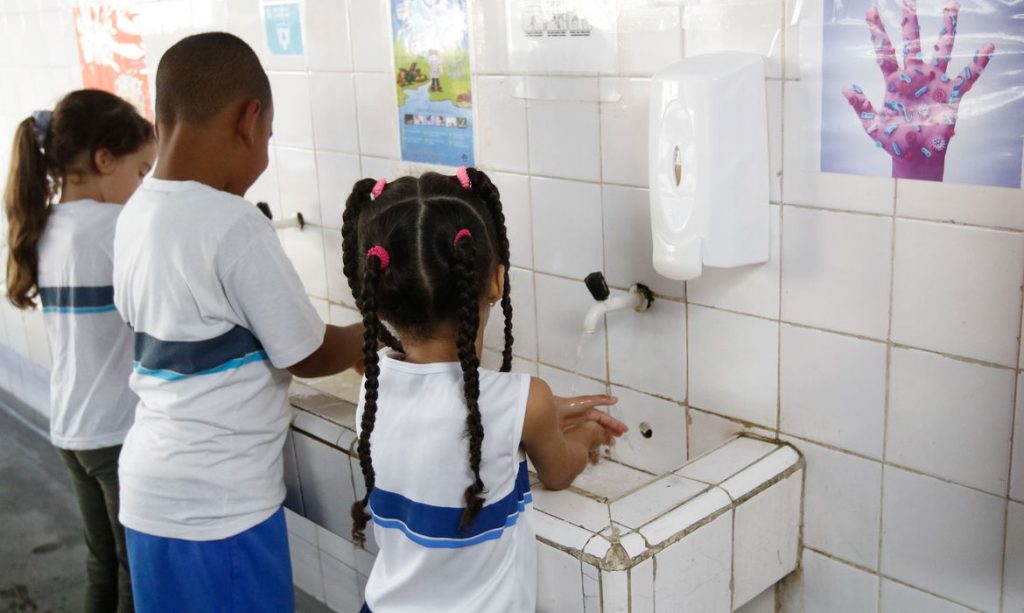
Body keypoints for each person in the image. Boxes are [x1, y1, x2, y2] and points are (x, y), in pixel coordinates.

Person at [111, 32, 363, 612]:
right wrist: (372, 330)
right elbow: (308, 353)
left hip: (151, 496)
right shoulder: (233, 224)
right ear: (249, 120)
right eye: (269, 136)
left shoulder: (136, 212)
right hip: (218, 510)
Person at [341, 167, 627, 612]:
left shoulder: (373, 385)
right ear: (496, 281)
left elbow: (441, 420)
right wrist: (588, 434)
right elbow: (558, 471)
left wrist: (543, 413)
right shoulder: (523, 399)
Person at [4, 89, 155, 613]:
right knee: (137, 569)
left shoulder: (45, 226)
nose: (143, 188)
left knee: (101, 564)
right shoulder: (114, 228)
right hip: (114, 434)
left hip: (70, 428)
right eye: (140, 173)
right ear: (104, 159)